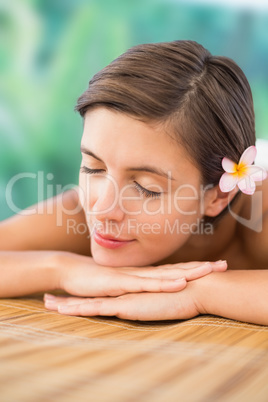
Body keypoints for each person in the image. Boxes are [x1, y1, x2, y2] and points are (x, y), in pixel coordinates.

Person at [1, 40, 267, 325]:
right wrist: (61, 269)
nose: (103, 210)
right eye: (93, 168)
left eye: (145, 187)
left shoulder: (257, 220)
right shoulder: (80, 209)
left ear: (217, 197)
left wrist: (198, 292)